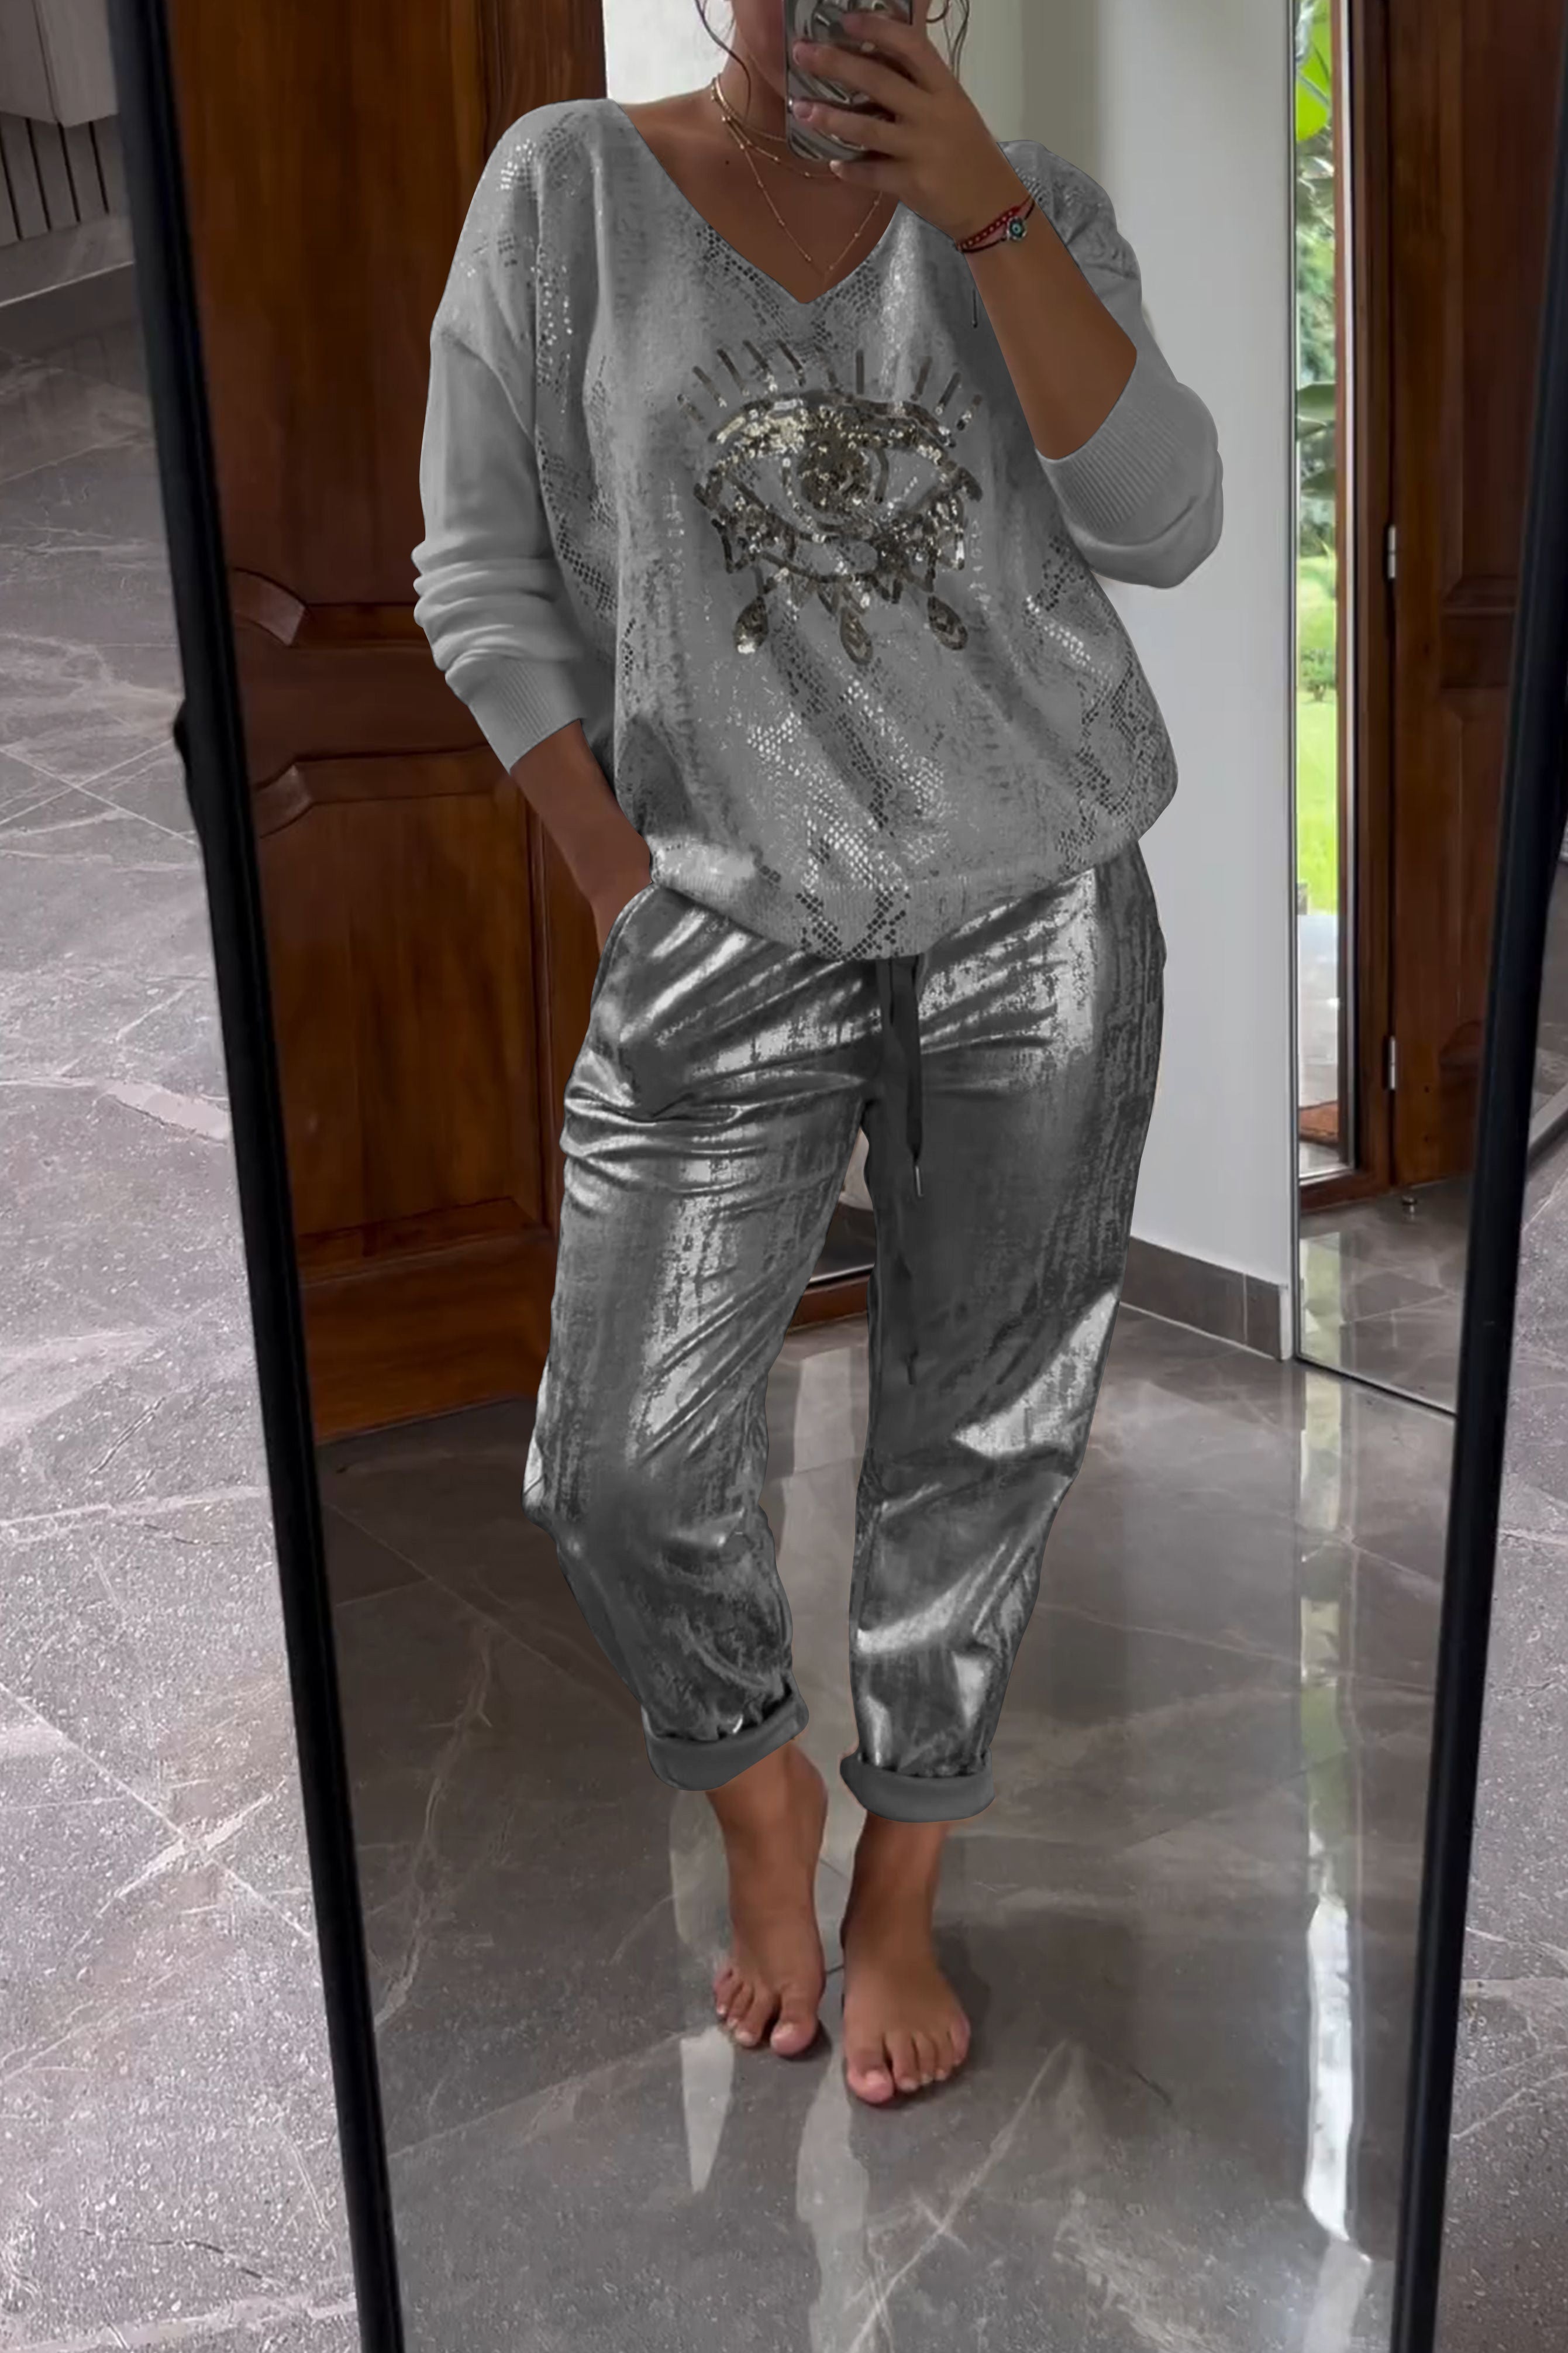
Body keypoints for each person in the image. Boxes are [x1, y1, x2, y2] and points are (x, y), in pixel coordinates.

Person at [412, 0, 1222, 2108]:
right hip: (716, 917)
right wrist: (620, 881)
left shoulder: (1035, 211)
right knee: (615, 1464)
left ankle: (900, 1884)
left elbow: (1165, 524)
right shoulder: (568, 190)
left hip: (1039, 907)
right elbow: (477, 571)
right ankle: (760, 1796)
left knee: (985, 1434)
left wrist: (982, 215)